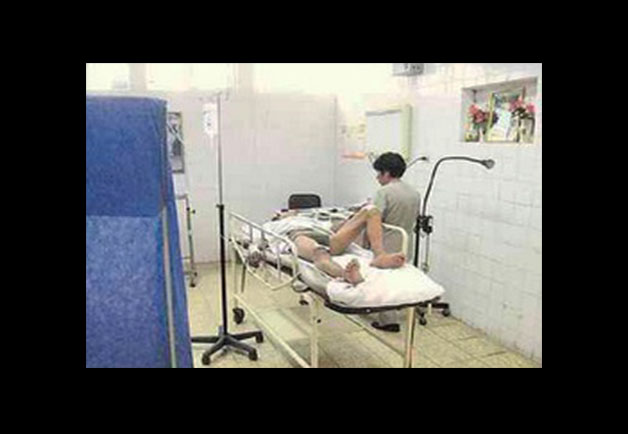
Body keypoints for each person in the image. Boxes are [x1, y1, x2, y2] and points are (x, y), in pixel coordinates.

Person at [267, 205, 406, 286]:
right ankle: (345, 274)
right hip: (298, 235)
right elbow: (263, 240)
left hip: (327, 234)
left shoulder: (306, 218)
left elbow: (331, 226)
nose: (286, 212)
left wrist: (351, 218)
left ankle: (379, 256)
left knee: (371, 210)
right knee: (319, 252)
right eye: (282, 213)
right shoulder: (276, 225)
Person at [369, 152, 421, 332]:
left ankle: (388, 321)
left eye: (379, 173)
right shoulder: (414, 193)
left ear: (387, 173)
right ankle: (400, 311)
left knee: (384, 282)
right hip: (407, 242)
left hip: (388, 243)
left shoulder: (384, 192)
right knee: (399, 279)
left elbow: (375, 218)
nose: (377, 177)